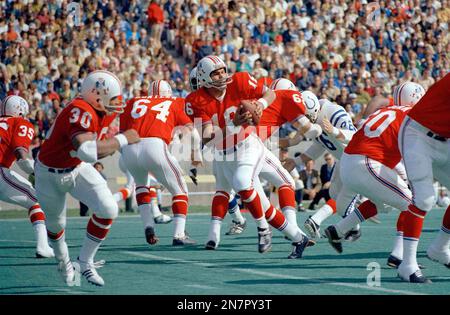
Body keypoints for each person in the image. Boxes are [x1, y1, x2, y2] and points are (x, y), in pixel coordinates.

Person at [187, 55, 310, 258]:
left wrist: (260, 104)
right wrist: (232, 124)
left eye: (223, 70)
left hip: (248, 145)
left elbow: (269, 94)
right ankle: (298, 238)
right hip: (224, 152)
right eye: (216, 73)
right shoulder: (195, 100)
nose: (222, 75)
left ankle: (263, 230)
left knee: (242, 182)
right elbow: (208, 137)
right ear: (203, 77)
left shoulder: (240, 80)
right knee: (263, 205)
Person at [34, 70, 140, 287]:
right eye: (113, 98)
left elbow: (91, 153)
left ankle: (85, 261)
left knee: (108, 208)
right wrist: (122, 139)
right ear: (97, 96)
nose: (117, 103)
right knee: (55, 227)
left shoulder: (100, 108)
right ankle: (64, 261)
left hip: (76, 168)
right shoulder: (80, 110)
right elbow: (86, 151)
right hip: (48, 173)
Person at [324, 82, 429, 283]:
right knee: (414, 205)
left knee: (384, 202)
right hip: (367, 163)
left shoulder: (386, 110)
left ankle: (338, 230)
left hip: (353, 162)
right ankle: (407, 264)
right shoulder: (412, 117)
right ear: (416, 98)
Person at [120, 79, 198, 246]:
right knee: (181, 190)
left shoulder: (133, 101)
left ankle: (148, 226)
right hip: (154, 145)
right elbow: (192, 130)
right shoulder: (174, 101)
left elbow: (122, 130)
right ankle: (179, 234)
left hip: (128, 148)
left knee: (141, 186)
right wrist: (195, 154)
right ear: (168, 93)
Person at [397, 73, 450, 282]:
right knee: (425, 198)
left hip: (444, 140)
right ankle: (407, 265)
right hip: (418, 134)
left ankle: (440, 247)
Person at [0, 95, 54, 258]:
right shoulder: (19, 123)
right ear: (20, 111)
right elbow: (21, 155)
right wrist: (39, 171)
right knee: (36, 200)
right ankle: (43, 246)